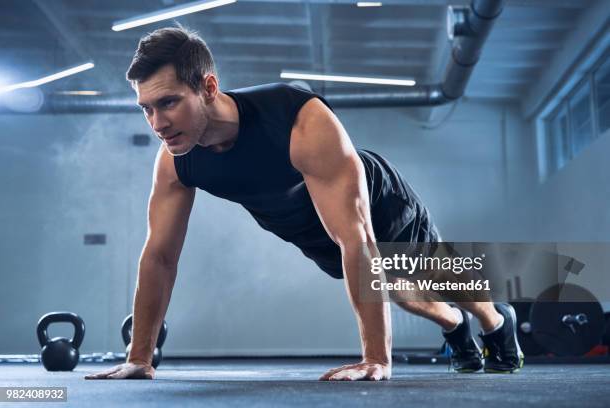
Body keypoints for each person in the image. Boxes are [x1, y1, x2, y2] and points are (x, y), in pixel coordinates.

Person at [85, 27, 523, 381]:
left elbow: (357, 237)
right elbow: (160, 257)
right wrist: (139, 357)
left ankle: (495, 322)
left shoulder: (297, 118)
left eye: (168, 103)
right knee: (403, 294)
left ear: (209, 87)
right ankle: (453, 326)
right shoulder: (176, 161)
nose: (157, 123)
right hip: (309, 227)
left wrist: (376, 359)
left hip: (374, 202)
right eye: (146, 109)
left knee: (428, 273)